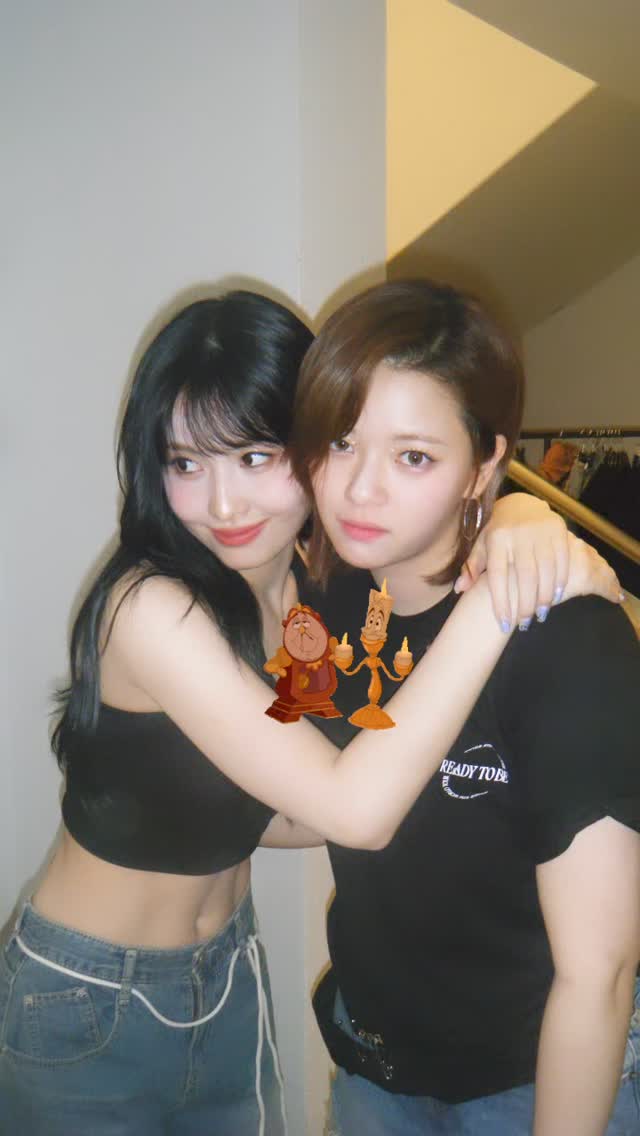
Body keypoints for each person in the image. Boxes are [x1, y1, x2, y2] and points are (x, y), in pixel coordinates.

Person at [0, 290, 621, 1136]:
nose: (224, 506)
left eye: (255, 456)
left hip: (227, 977)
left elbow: (289, 808)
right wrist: (500, 597)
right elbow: (350, 810)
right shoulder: (150, 610)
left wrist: (517, 513)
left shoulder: (312, 595)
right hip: (87, 997)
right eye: (185, 464)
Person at [290, 278, 640, 1136]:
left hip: (534, 1079)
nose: (360, 491)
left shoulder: (567, 637)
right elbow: (303, 800)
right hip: (375, 1065)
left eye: (413, 457)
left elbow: (599, 972)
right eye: (341, 441)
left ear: (484, 464)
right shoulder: (324, 600)